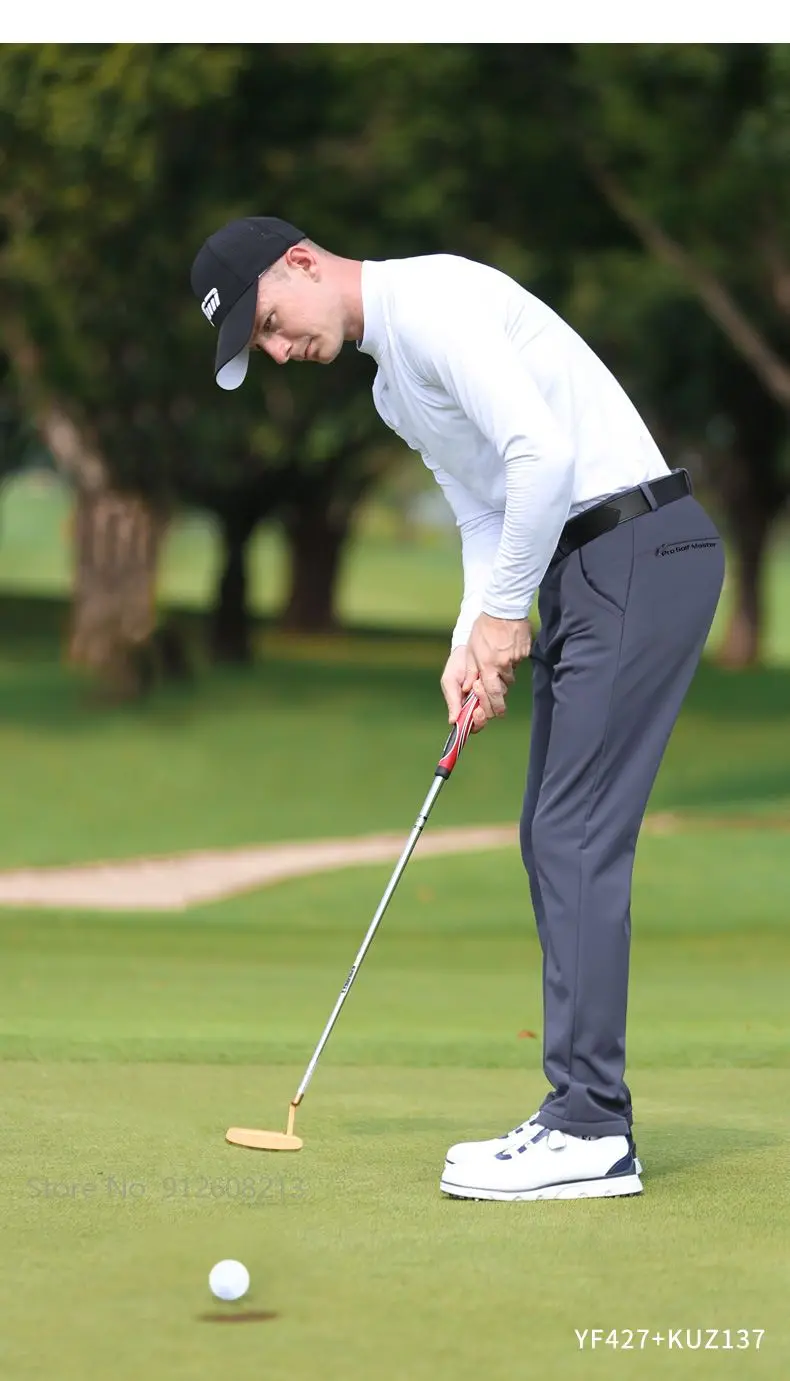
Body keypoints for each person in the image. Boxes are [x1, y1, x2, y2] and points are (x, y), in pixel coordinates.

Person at [190, 216, 725, 1202]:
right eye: (259, 346)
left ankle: (590, 1127)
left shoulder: (432, 300)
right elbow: (485, 510)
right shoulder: (392, 385)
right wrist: (467, 642)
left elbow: (541, 458)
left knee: (574, 833)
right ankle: (579, 1114)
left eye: (268, 323)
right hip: (591, 569)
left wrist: (505, 615)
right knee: (550, 833)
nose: (278, 351)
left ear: (301, 263)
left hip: (635, 548)